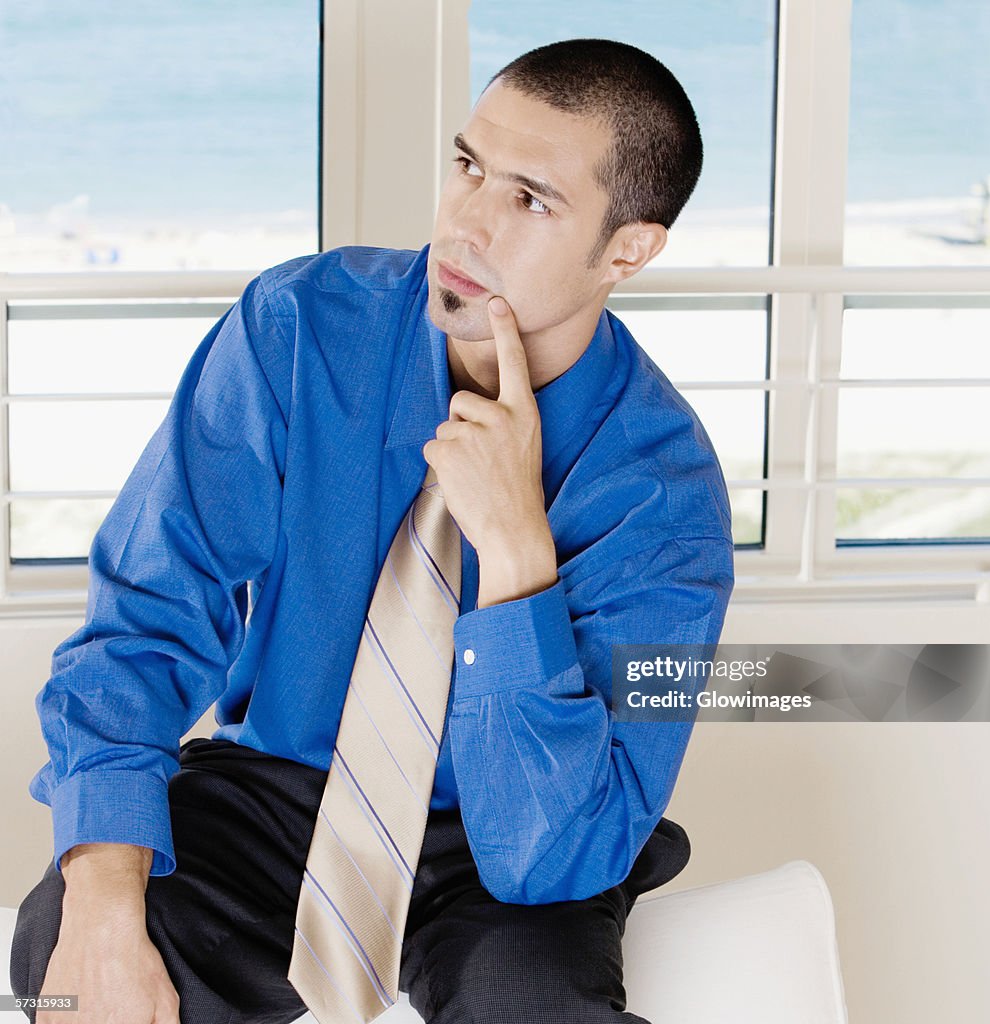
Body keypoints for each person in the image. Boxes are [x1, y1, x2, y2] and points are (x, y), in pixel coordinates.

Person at [10, 37, 734, 1024]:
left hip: (507, 836)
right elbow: (147, 614)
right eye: (468, 165)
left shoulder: (671, 497)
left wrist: (518, 556)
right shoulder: (298, 328)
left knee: (531, 1003)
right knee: (64, 946)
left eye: (529, 199)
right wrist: (97, 891)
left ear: (628, 249)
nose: (466, 223)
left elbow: (550, 853)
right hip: (278, 792)